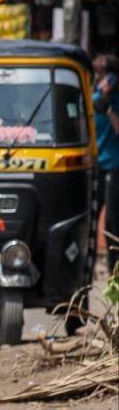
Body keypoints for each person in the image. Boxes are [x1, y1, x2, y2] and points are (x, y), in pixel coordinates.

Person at [93, 53, 119, 275]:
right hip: (94, 164)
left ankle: (113, 266)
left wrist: (109, 108)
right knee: (90, 214)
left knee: (111, 219)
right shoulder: (92, 97)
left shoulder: (113, 101)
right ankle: (87, 262)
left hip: (113, 164)